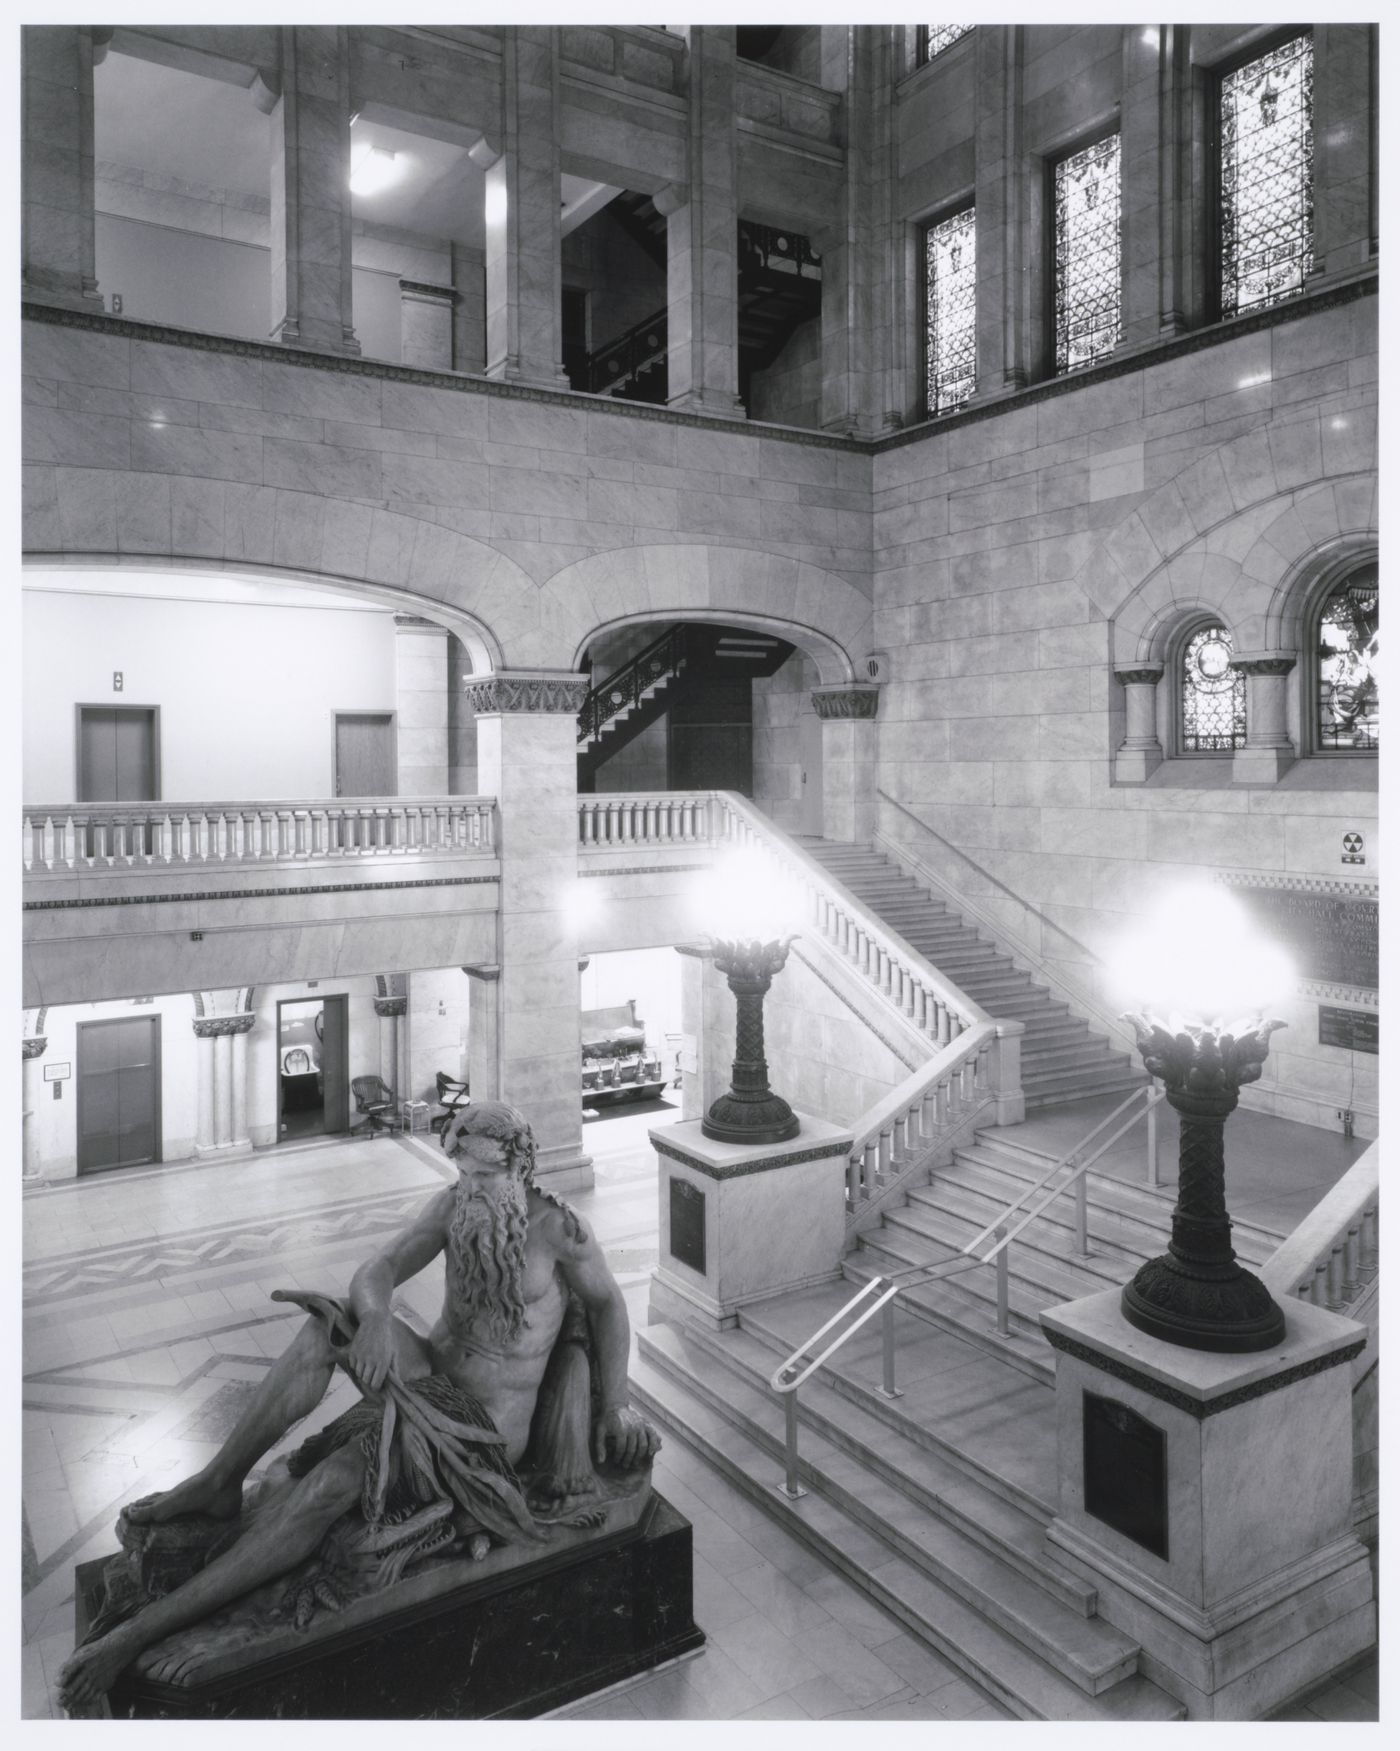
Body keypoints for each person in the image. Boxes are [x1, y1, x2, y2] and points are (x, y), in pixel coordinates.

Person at [58, 1101, 659, 1714]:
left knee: (334, 1483)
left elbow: (609, 1306)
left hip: (485, 1431)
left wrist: (617, 1405)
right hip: (432, 1374)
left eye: (486, 1176)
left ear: (521, 1169)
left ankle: (143, 1630)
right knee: (327, 1326)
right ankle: (219, 1481)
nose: (471, 1188)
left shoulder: (559, 1231)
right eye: (463, 1172)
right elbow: (382, 1264)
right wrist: (373, 1317)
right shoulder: (454, 1207)